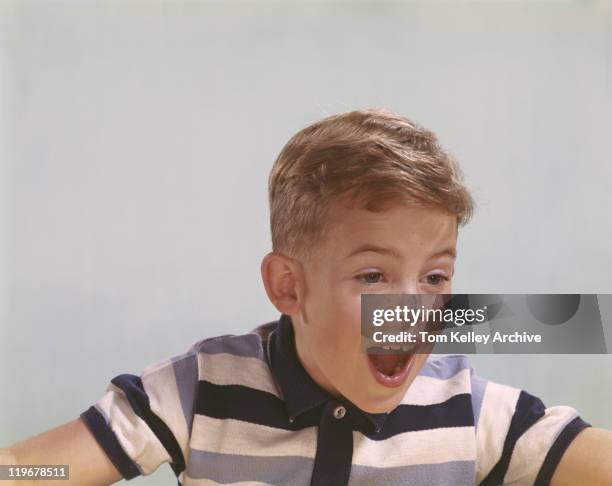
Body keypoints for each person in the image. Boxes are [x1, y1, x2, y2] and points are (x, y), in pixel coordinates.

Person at [2, 109, 611, 486]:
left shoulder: (471, 413)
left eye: (435, 279)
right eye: (373, 277)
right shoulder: (195, 393)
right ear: (288, 286)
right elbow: (35, 471)